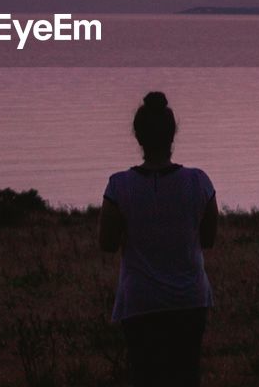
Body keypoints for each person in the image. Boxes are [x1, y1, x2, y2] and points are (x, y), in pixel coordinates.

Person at [99, 91, 218, 387]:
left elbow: (107, 243)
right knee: (186, 376)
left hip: (140, 302)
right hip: (189, 299)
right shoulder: (199, 181)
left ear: (138, 136)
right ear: (172, 134)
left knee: (144, 375)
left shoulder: (119, 186)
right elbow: (208, 239)